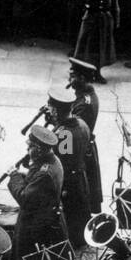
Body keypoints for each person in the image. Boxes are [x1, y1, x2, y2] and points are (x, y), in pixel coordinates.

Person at [8, 125, 69, 260]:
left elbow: (25, 197)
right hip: (47, 221)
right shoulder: (51, 161)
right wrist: (26, 174)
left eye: (30, 146)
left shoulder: (44, 172)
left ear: (40, 149)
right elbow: (35, 184)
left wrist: (14, 177)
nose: (27, 149)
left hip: (35, 227)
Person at [45, 84, 92, 246]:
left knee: (71, 214)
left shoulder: (64, 134)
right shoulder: (82, 123)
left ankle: (73, 242)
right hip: (80, 175)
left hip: (68, 182)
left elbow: (62, 161)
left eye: (51, 108)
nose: (49, 111)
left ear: (57, 110)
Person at [68, 57, 103, 214]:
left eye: (73, 76)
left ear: (82, 78)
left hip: (80, 152)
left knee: (79, 195)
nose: (70, 79)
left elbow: (73, 132)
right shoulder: (82, 95)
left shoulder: (85, 103)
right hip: (83, 147)